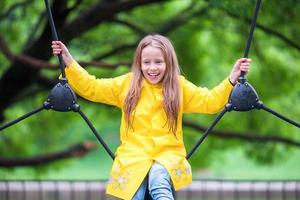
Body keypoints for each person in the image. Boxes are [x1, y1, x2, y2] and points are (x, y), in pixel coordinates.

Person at [51, 34, 251, 200]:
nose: (152, 68)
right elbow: (92, 87)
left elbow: (210, 101)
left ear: (168, 63)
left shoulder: (178, 87)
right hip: (133, 156)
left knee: (158, 180)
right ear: (139, 63)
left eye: (158, 62)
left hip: (167, 155)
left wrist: (232, 79)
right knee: (135, 193)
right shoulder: (127, 85)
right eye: (146, 62)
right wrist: (68, 60)